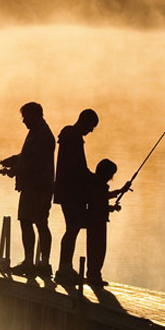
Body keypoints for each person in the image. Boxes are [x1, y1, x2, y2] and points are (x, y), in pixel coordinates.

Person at [0, 102, 55, 279]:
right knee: (38, 223)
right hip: (39, 186)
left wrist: (15, 170)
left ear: (36, 115)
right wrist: (13, 160)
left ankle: (32, 263)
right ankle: (40, 263)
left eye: (25, 117)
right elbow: (28, 157)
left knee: (29, 221)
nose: (23, 121)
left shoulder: (43, 135)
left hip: (37, 187)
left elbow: (35, 163)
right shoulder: (38, 133)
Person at [53, 108, 98, 285]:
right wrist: (94, 179)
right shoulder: (74, 138)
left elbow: (77, 167)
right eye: (91, 126)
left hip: (66, 191)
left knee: (72, 229)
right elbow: (78, 168)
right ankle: (64, 268)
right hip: (72, 192)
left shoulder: (68, 136)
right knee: (72, 229)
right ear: (84, 121)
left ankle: (65, 266)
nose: (91, 130)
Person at [85, 158, 130, 287]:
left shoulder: (97, 184)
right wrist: (112, 206)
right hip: (97, 222)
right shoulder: (99, 186)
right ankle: (94, 275)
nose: (111, 177)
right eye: (111, 174)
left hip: (95, 220)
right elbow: (99, 203)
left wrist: (120, 192)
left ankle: (94, 275)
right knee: (98, 249)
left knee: (95, 249)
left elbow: (101, 200)